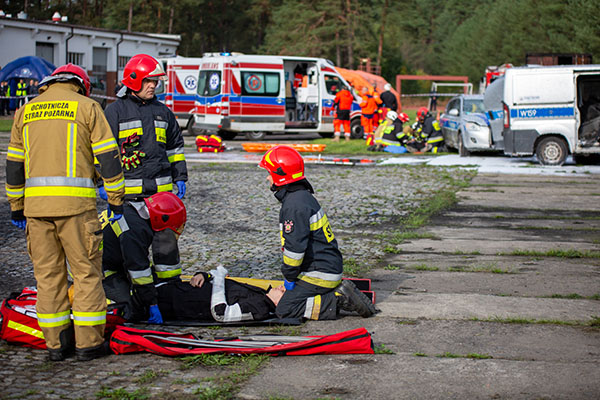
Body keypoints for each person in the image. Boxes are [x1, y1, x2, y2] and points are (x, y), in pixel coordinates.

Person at [5, 63, 125, 362]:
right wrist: (116, 200)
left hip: (36, 210)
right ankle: (88, 345)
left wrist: (16, 206)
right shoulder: (87, 107)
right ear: (81, 85)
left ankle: (56, 346)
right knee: (86, 275)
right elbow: (109, 157)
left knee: (47, 277)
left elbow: (14, 164)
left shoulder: (26, 110)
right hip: (76, 209)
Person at [102, 53, 188, 323]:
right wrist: (104, 184)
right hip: (129, 200)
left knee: (167, 254)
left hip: (162, 200)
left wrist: (180, 176)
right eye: (149, 81)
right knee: (134, 252)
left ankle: (171, 296)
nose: (154, 86)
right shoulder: (115, 112)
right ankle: (146, 301)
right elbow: (102, 153)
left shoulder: (163, 112)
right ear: (134, 80)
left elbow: (175, 148)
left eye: (156, 81)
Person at [259, 145, 377, 320]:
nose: (268, 177)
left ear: (280, 174)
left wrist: (290, 279)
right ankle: (335, 293)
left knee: (285, 310)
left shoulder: (294, 205)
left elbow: (294, 250)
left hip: (320, 274)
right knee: (288, 301)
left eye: (269, 172)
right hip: (324, 268)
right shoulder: (302, 197)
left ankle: (338, 299)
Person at [101, 191, 186, 324]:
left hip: (113, 262)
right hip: (97, 271)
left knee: (143, 289)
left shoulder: (134, 212)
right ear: (161, 219)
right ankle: (89, 299)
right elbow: (138, 270)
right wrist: (152, 304)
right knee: (131, 311)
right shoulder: (135, 229)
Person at [104, 264, 285, 323]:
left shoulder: (260, 307)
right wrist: (206, 275)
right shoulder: (261, 295)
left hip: (173, 303)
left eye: (284, 293)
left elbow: (221, 312)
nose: (281, 288)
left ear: (280, 304)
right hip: (175, 289)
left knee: (119, 296)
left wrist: (219, 277)